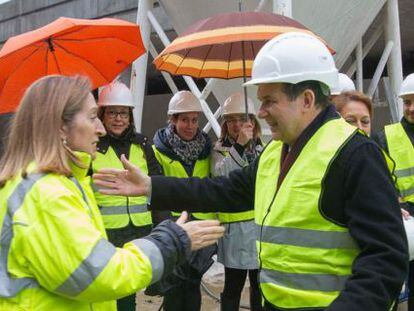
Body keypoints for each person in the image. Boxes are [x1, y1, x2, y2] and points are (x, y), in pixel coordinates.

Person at [94, 32, 408, 311]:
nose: (260, 112)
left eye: (270, 100)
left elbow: (385, 260)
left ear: (307, 100)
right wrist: (151, 186)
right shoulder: (277, 151)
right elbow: (223, 191)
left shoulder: (356, 155)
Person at [0, 75, 224, 310]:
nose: (100, 128)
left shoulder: (42, 183)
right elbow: (102, 275)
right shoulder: (47, 194)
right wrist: (171, 240)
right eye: (92, 117)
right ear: (60, 126)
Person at [91, 81, 165, 311]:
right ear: (102, 115)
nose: (118, 118)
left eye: (123, 113)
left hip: (140, 230)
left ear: (130, 116)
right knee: (108, 289)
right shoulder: (93, 146)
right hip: (106, 233)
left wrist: (161, 226)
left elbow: (158, 185)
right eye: (112, 112)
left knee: (129, 292)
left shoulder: (143, 144)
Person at [151, 90, 215, 311]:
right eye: (184, 120)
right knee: (174, 288)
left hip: (201, 227)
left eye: (194, 120)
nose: (190, 125)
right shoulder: (158, 151)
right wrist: (166, 228)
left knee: (193, 285)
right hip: (174, 226)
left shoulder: (208, 151)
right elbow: (155, 194)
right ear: (173, 120)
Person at [211, 92, 263, 311]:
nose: (236, 125)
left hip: (260, 230)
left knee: (260, 288)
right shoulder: (218, 149)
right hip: (234, 233)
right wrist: (240, 146)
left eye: (242, 119)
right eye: (230, 120)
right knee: (233, 286)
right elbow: (221, 176)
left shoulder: (263, 149)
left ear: (252, 121)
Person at [372, 73, 414, 310]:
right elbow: (378, 181)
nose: (412, 108)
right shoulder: (385, 137)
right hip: (402, 220)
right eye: (407, 102)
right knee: (392, 285)